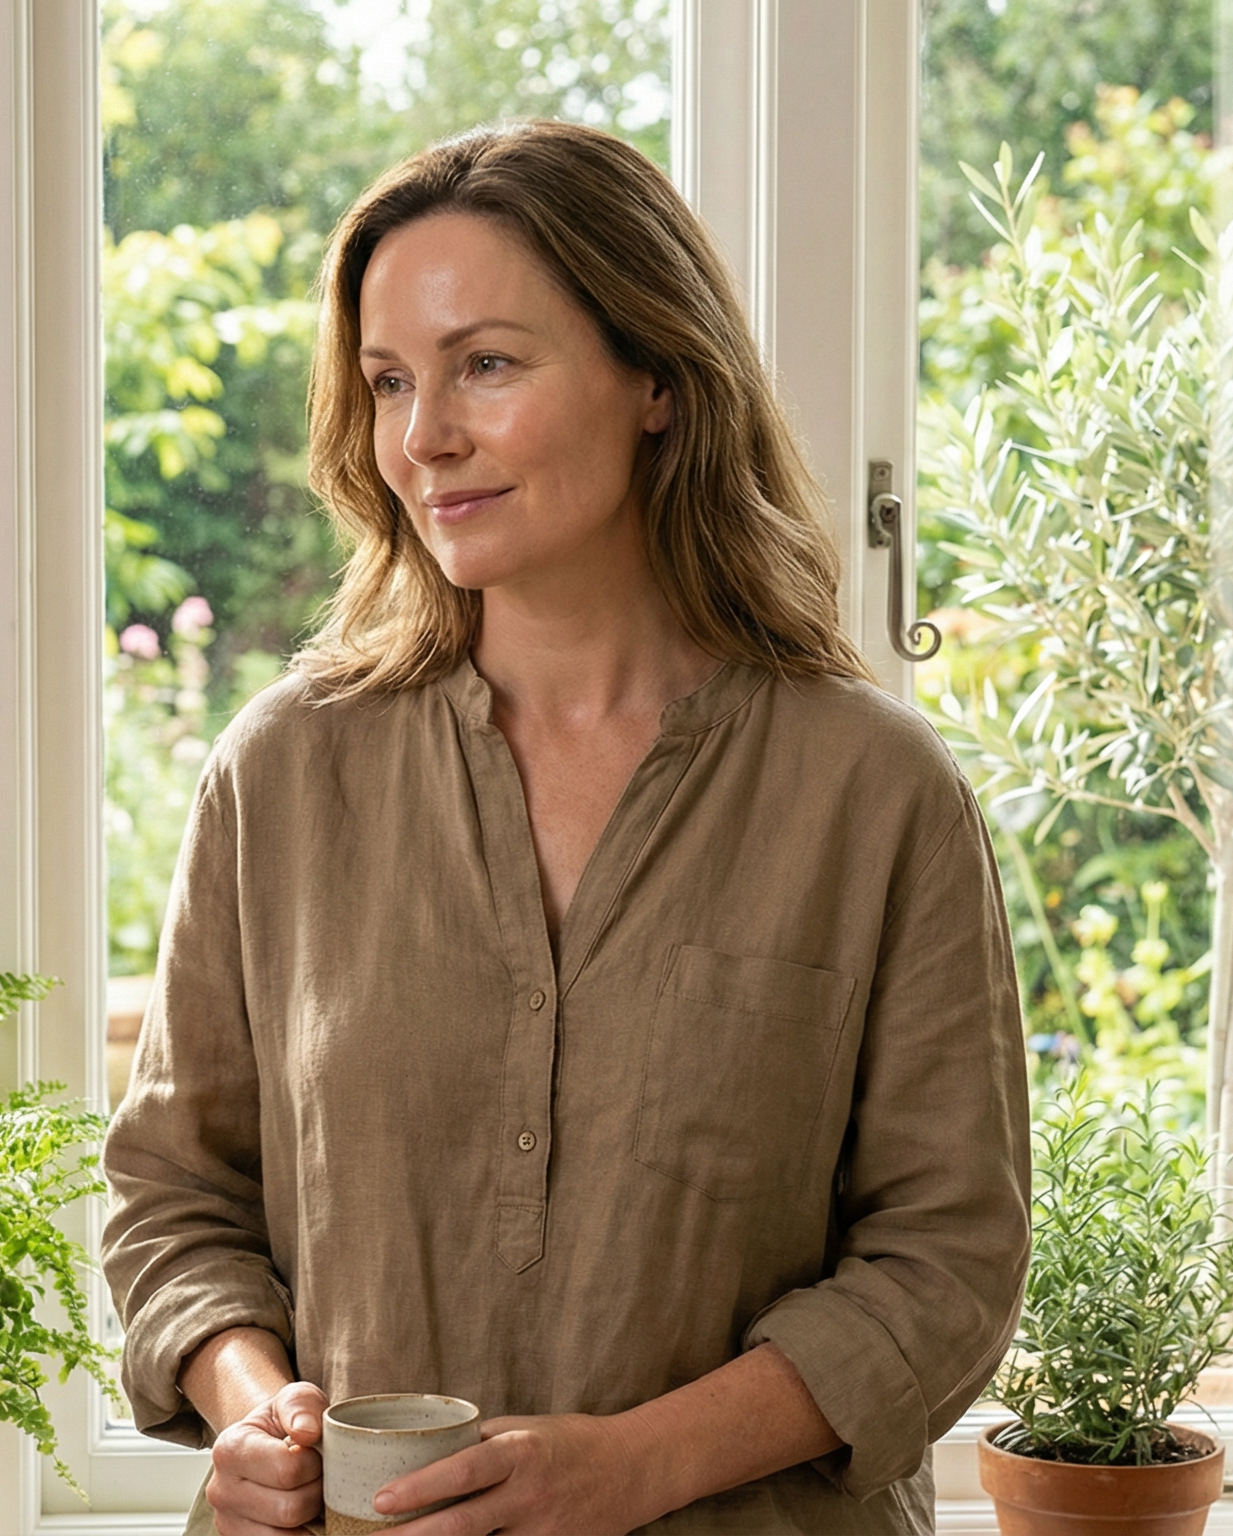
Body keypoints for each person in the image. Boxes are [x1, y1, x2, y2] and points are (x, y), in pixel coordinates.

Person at [101, 120, 1030, 1536]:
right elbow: (176, 1197)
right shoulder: (283, 775)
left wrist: (640, 1463)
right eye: (390, 381)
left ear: (657, 377)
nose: (425, 437)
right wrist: (254, 1411)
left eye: (486, 364)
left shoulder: (873, 792)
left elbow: (948, 1260)